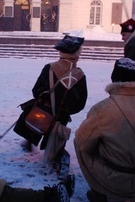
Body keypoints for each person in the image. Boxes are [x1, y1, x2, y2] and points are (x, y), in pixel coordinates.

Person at [74, 58, 135, 202]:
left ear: (114, 78)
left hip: (116, 180)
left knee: (80, 143)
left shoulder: (102, 109)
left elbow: (83, 143)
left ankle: (99, 190)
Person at [14, 35, 88, 177]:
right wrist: (66, 110)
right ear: (76, 55)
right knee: (56, 139)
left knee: (36, 120)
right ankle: (58, 158)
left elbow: (36, 90)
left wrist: (44, 98)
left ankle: (30, 140)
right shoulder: (79, 75)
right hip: (62, 115)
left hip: (43, 109)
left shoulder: (49, 68)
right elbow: (80, 103)